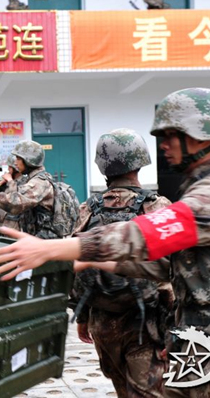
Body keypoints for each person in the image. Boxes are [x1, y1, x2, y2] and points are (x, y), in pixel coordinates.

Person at [0, 88, 210, 397]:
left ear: (201, 138)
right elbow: (166, 265)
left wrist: (52, 248)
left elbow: (143, 235)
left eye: (171, 135)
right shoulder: (197, 191)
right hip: (207, 344)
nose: (163, 145)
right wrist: (93, 260)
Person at [69, 128, 173, 398]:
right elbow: (173, 272)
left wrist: (82, 317)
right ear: (140, 162)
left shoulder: (88, 208)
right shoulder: (156, 206)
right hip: (146, 325)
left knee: (122, 391)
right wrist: (175, 331)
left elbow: (77, 264)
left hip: (102, 322)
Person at [0, 140, 56, 238]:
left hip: (43, 240)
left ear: (28, 161)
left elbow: (16, 202)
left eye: (18, 158)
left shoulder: (39, 183)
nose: (15, 162)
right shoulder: (33, 179)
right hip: (35, 238)